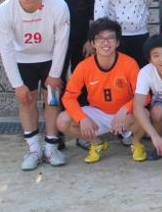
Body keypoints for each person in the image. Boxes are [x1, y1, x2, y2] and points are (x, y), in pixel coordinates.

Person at [0, 0, 71, 170]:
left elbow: (62, 41)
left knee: (52, 100)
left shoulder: (58, 5)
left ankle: (51, 148)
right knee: (26, 100)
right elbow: (6, 49)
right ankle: (34, 149)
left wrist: (55, 74)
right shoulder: (5, 10)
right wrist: (17, 85)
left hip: (50, 58)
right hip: (22, 60)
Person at [57, 18, 143, 164]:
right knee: (62, 120)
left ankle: (136, 143)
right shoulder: (84, 67)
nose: (105, 43)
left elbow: (143, 96)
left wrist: (125, 109)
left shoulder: (129, 63)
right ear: (92, 43)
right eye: (100, 39)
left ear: (117, 42)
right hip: (98, 113)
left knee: (144, 114)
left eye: (110, 38)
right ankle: (96, 143)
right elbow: (68, 97)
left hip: (125, 114)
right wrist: (82, 118)